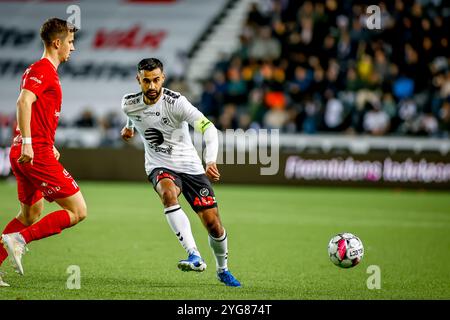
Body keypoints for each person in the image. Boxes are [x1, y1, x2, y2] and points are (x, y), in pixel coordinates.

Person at [120, 58, 241, 287]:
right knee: (168, 194)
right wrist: (128, 128)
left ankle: (222, 269)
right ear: (139, 80)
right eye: (147, 81)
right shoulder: (128, 103)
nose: (152, 86)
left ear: (163, 78)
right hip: (159, 164)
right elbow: (133, 115)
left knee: (214, 224)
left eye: (156, 80)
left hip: (191, 167)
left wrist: (210, 160)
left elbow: (209, 128)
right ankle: (194, 254)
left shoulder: (177, 103)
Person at [0, 18, 87, 287]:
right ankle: (19, 240)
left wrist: (46, 140)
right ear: (57, 43)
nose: (72, 48)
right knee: (78, 211)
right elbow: (23, 101)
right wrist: (30, 141)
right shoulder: (43, 70)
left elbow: (37, 110)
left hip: (28, 150)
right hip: (33, 152)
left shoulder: (40, 70)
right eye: (70, 42)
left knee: (29, 215)